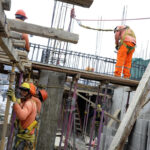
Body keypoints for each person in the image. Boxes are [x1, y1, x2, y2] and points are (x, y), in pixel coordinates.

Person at [7, 82, 41, 150]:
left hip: (24, 140)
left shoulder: (29, 103)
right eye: (22, 90)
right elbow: (21, 104)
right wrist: (14, 99)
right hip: (24, 137)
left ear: (29, 93)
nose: (22, 92)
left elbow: (22, 116)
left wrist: (15, 103)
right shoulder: (28, 101)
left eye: (25, 91)